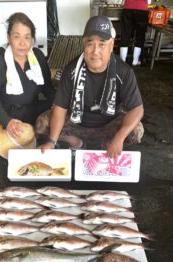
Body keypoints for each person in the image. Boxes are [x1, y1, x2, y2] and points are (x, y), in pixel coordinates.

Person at [36, 15, 144, 158]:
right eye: (90, 43)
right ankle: (75, 143)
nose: (95, 51)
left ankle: (107, 144)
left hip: (109, 124)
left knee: (136, 130)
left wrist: (119, 138)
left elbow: (137, 109)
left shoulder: (124, 71)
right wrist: (52, 141)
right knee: (42, 123)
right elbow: (60, 108)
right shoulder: (71, 69)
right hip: (77, 124)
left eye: (102, 44)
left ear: (111, 46)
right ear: (83, 45)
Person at [0, 12, 55, 142]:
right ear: (8, 37)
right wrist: (7, 121)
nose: (22, 43)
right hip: (9, 115)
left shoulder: (37, 56)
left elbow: (47, 88)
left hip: (32, 109)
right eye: (17, 37)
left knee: (61, 109)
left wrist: (58, 104)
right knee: (14, 152)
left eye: (27, 37)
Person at [120, 0, 149, 66]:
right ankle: (135, 61)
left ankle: (122, 61)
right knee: (140, 35)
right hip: (142, 9)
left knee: (125, 34)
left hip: (127, 9)